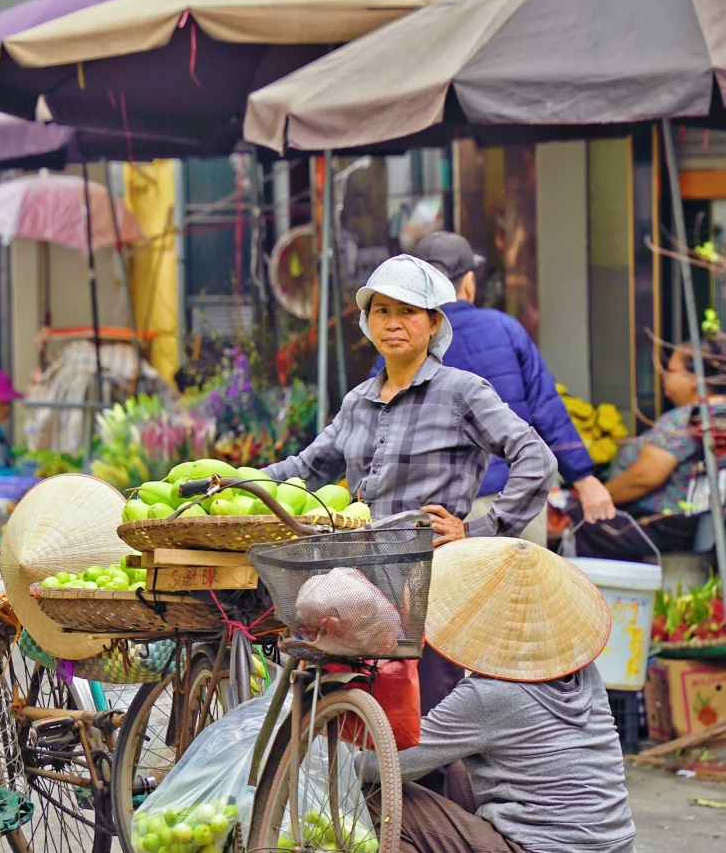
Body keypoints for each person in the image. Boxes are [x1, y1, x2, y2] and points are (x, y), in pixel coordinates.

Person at [266, 253, 555, 718]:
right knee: (357, 706)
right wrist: (240, 484)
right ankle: (371, 791)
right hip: (361, 582)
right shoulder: (358, 401)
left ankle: (432, 795)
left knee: (428, 714)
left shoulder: (462, 391)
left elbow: (535, 458)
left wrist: (480, 532)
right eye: (382, 311)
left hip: (432, 580)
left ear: (434, 323)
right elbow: (308, 467)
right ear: (367, 322)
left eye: (407, 312)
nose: (393, 323)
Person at [362, 537, 636, 853]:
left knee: (386, 794)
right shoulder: (585, 673)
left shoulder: (492, 695)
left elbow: (387, 766)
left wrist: (334, 748)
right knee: (459, 770)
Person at [414, 229, 616, 543]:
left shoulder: (404, 340)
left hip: (437, 513)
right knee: (521, 593)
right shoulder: (504, 328)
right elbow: (546, 408)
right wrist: (585, 478)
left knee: (448, 594)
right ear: (469, 280)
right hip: (513, 503)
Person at [572, 336, 726, 560]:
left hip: (660, 526)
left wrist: (597, 497)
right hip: (692, 524)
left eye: (670, 369)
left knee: (579, 520)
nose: (663, 375)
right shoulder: (717, 415)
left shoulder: (685, 420)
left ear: (693, 379)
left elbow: (644, 477)